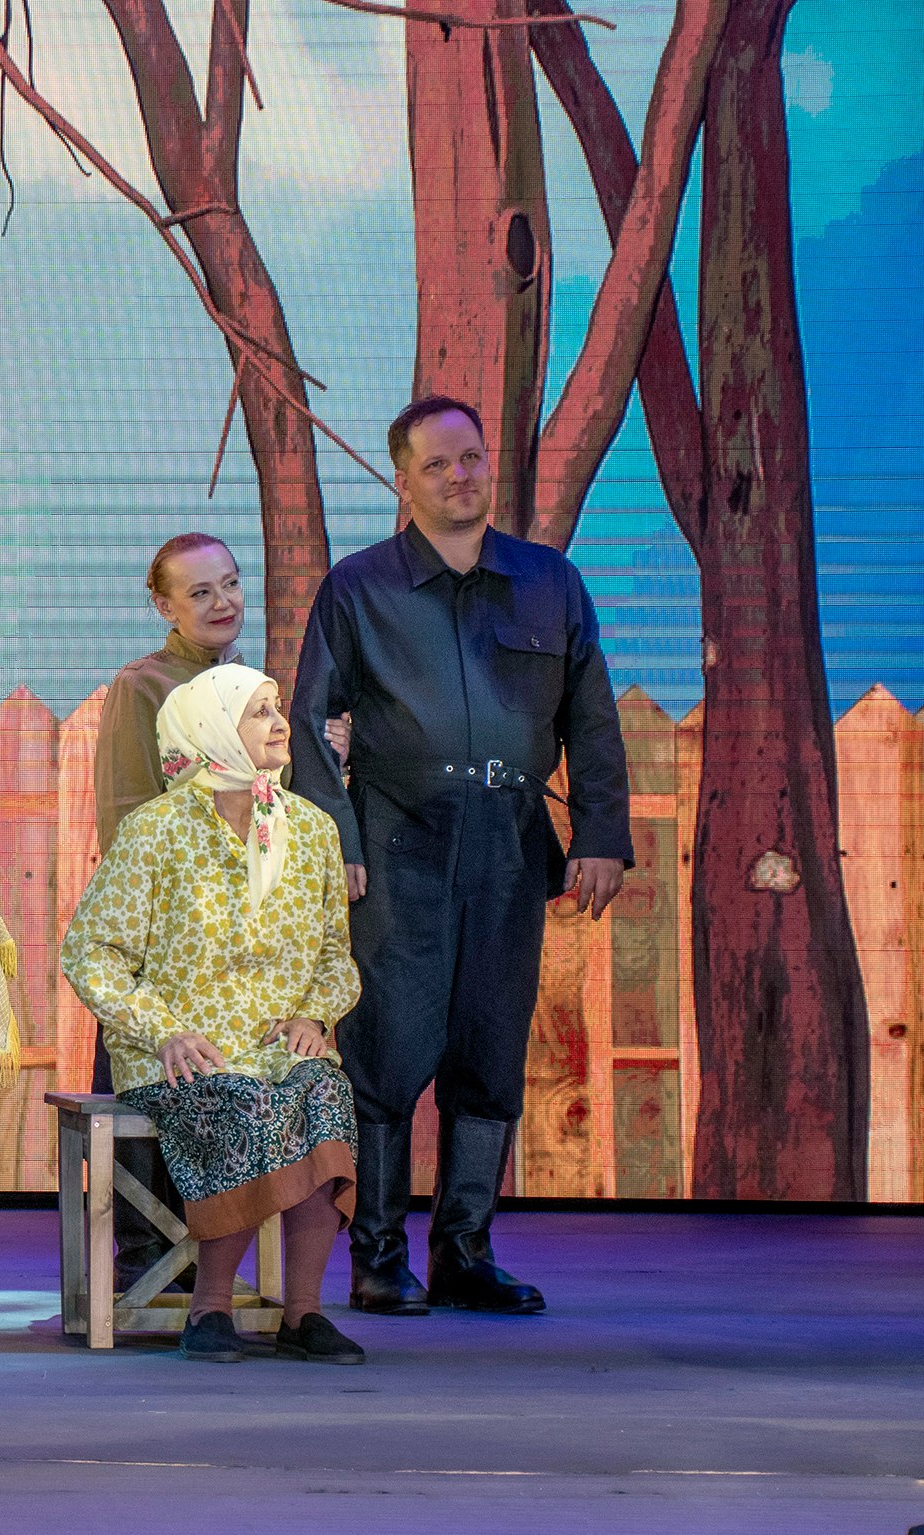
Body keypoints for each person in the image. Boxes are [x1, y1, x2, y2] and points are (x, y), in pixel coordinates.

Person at [288, 395, 632, 1317]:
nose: (459, 475)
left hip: (508, 842)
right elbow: (311, 721)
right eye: (436, 464)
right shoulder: (359, 587)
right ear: (403, 481)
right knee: (386, 1050)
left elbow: (591, 716)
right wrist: (337, 842)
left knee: (489, 1048)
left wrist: (601, 833)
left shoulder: (548, 582)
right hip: (397, 841)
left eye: (471, 457)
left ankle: (464, 1251)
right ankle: (376, 1254)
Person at [62, 663, 366, 1364]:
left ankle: (304, 1312)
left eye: (278, 707)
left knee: (325, 1092)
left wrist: (315, 1018)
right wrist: (162, 1029)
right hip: (181, 1050)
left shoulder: (312, 830)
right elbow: (91, 952)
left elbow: (335, 955)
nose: (280, 723)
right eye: (259, 712)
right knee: (242, 1101)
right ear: (211, 729)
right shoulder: (156, 830)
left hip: (277, 1046)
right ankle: (209, 1307)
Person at [88, 533, 350, 1293]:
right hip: (170, 928)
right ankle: (146, 1260)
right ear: (163, 605)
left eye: (230, 584)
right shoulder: (145, 685)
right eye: (199, 591)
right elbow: (127, 811)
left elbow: (273, 805)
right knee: (162, 1071)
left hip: (246, 940)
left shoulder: (251, 686)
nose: (222, 602)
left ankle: (268, 1290)